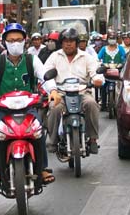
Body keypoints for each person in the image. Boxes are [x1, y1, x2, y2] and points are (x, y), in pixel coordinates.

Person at [0, 22, 52, 187]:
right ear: (4, 42)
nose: (15, 43)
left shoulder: (33, 60)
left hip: (28, 108)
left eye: (18, 39)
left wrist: (53, 91)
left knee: (38, 128)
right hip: (3, 110)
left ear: (25, 41)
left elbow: (45, 76)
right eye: (11, 40)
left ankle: (43, 167)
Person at [44, 27, 105, 155]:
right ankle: (53, 140)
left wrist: (97, 79)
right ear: (61, 43)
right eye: (65, 41)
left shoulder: (87, 57)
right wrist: (53, 89)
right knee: (54, 108)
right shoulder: (54, 56)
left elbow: (96, 72)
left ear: (77, 43)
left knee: (92, 104)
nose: (68, 44)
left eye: (71, 41)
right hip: (61, 93)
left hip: (82, 92)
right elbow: (46, 75)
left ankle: (93, 139)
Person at [97, 32, 127, 108]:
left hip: (118, 72)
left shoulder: (120, 49)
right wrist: (101, 64)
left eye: (113, 38)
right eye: (110, 38)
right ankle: (103, 104)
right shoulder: (104, 49)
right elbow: (98, 58)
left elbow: (125, 58)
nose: (112, 40)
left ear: (116, 39)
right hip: (106, 71)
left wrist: (122, 63)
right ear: (107, 39)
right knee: (103, 86)